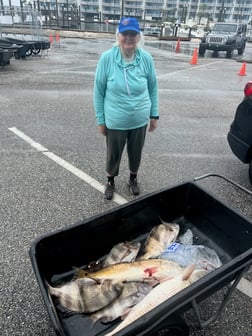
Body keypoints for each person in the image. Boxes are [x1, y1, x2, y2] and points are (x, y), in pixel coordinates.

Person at [93, 17, 159, 200]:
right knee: (113, 154)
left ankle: (132, 179)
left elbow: (153, 87)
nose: (129, 38)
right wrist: (101, 119)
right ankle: (110, 181)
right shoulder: (107, 58)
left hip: (139, 119)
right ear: (118, 35)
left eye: (133, 34)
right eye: (125, 34)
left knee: (136, 152)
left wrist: (154, 114)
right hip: (115, 120)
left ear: (138, 37)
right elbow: (98, 91)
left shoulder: (145, 58)